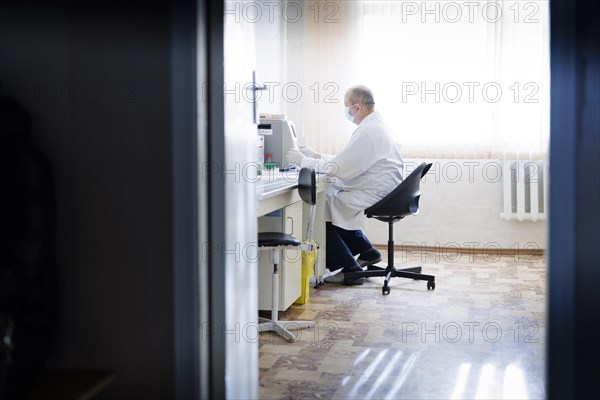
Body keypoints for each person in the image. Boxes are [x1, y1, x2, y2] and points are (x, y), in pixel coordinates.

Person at [285, 85, 404, 285]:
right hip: (386, 191)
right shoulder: (376, 125)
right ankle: (367, 251)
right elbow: (347, 160)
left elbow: (337, 168)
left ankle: (350, 270)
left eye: (346, 106)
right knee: (331, 202)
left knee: (320, 210)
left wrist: (303, 161)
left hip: (376, 192)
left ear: (357, 107)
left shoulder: (368, 131)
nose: (345, 111)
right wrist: (316, 155)